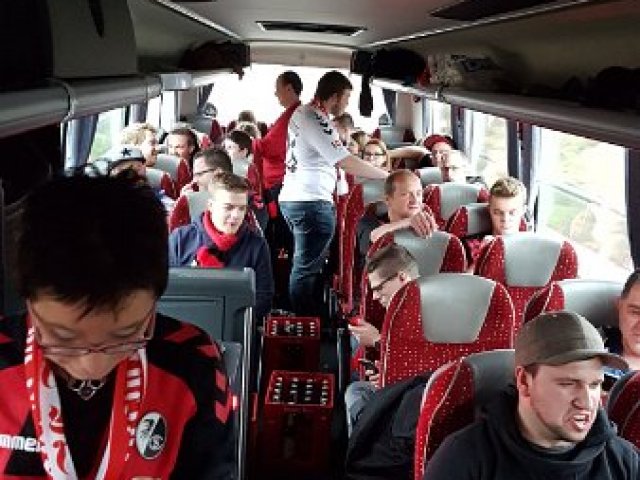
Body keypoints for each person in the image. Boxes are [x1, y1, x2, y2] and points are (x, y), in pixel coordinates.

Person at [0, 174, 235, 478]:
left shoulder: (192, 361)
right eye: (62, 338)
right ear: (28, 303)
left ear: (155, 303)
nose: (92, 366)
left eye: (125, 335)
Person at [423, 310, 639, 479]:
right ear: (524, 382)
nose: (587, 402)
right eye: (567, 384)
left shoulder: (622, 460)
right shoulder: (465, 457)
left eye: (594, 385)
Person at [278, 70, 388, 317]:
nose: (347, 104)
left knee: (306, 264)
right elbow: (344, 161)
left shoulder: (309, 115)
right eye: (346, 98)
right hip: (311, 202)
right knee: (305, 269)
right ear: (336, 96)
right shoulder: (314, 117)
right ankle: (305, 321)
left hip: (300, 199)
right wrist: (386, 176)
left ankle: (306, 316)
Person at [169, 172, 273, 321]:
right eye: (228, 207)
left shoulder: (256, 245)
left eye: (242, 208)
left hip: (235, 324)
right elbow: (167, 291)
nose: (236, 215)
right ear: (210, 206)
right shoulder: (181, 239)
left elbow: (263, 299)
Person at [345, 244, 421, 434]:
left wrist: (378, 341)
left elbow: (433, 368)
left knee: (355, 392)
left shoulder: (419, 312)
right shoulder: (399, 310)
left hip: (415, 405)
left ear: (402, 277)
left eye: (379, 288)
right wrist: (387, 373)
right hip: (407, 391)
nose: (375, 297)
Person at [466, 176, 527, 268]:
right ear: (489, 210)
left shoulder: (534, 247)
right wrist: (482, 256)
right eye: (498, 213)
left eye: (512, 213)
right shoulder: (472, 246)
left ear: (523, 211)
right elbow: (462, 278)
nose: (505, 219)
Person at [96, 145, 175, 213]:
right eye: (124, 170)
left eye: (138, 167)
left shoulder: (160, 201)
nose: (133, 174)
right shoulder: (102, 204)